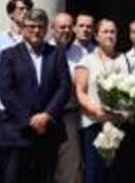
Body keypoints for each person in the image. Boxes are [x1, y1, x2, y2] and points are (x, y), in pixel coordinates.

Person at [0, 8, 69, 183]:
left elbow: (64, 87)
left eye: (40, 27)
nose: (36, 30)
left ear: (46, 29)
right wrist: (30, 120)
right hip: (18, 131)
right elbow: (6, 91)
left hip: (48, 131)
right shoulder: (9, 55)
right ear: (22, 28)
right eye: (31, 26)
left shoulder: (56, 54)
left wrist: (47, 115)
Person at [76, 18, 132, 183]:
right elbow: (80, 92)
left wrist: (126, 110)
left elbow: (132, 89)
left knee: (117, 174)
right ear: (96, 36)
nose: (109, 35)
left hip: (119, 125)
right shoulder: (87, 61)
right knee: (94, 174)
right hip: (94, 125)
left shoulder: (125, 59)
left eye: (112, 31)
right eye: (105, 31)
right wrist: (97, 111)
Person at [0, 0, 32, 178]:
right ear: (11, 14)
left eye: (27, 9)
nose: (25, 12)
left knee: (24, 160)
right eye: (21, 9)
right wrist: (1, 100)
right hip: (2, 109)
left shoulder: (32, 39)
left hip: (26, 109)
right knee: (2, 158)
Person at [55, 13, 90, 183]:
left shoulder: (81, 52)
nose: (66, 31)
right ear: (52, 28)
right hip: (45, 114)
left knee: (70, 164)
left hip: (69, 113)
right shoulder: (45, 49)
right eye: (62, 27)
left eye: (69, 27)